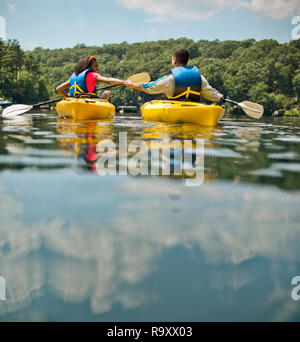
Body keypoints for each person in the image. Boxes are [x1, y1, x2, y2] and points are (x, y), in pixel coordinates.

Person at [124, 48, 224, 103]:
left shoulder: (170, 79)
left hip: (174, 109)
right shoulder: (199, 77)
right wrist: (219, 96)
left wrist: (131, 84)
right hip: (194, 109)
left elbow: (148, 86)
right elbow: (209, 93)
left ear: (174, 60)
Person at [56, 56, 125, 100]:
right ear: (88, 67)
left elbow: (58, 89)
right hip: (88, 100)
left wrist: (67, 96)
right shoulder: (93, 75)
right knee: (107, 92)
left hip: (74, 99)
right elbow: (108, 80)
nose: (97, 68)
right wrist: (123, 82)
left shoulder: (74, 76)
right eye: (95, 66)